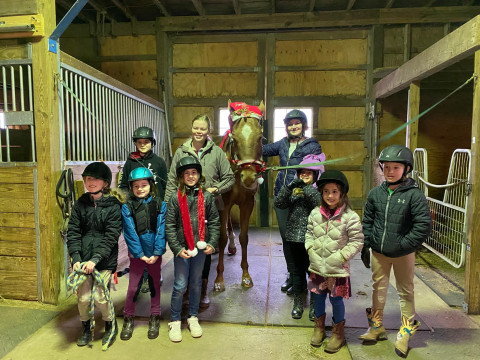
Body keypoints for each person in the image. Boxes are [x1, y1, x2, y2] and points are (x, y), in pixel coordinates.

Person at [359, 144, 432, 357]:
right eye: (387, 167)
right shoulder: (375, 194)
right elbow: (368, 219)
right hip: (379, 252)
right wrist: (368, 242)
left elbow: (422, 225)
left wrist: (404, 244)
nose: (390, 172)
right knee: (378, 288)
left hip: (403, 253)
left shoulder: (414, 196)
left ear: (406, 169)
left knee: (405, 290)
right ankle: (376, 326)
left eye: (396, 168)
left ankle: (405, 333)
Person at [164, 114, 234, 307]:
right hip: (184, 207)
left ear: (208, 131)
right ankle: (185, 288)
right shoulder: (181, 151)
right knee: (186, 246)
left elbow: (229, 178)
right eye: (196, 127)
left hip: (208, 208)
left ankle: (201, 290)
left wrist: (214, 189)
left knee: (204, 248)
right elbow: (171, 180)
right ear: (191, 128)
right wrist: (169, 206)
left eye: (203, 128)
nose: (198, 131)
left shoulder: (217, 153)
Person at [262, 109, 322, 294]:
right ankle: (293, 274)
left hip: (301, 199)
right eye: (290, 124)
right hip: (283, 195)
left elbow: (316, 170)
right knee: (287, 238)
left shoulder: (312, 146)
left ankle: (306, 276)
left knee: (303, 239)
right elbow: (262, 150)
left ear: (303, 125)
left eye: (297, 123)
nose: (293, 126)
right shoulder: (283, 143)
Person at [305, 170, 364, 353]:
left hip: (337, 269)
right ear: (321, 193)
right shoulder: (315, 214)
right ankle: (319, 328)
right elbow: (308, 233)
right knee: (318, 297)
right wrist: (309, 248)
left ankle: (338, 333)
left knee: (336, 300)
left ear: (342, 194)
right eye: (326, 192)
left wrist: (341, 257)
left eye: (334, 192)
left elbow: (357, 241)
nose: (330, 196)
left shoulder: (350, 217)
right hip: (317, 267)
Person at [67, 162, 123, 348]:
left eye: (95, 179)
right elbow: (73, 232)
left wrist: (95, 259)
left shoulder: (114, 207)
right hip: (83, 259)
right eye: (87, 178)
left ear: (105, 183)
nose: (90, 182)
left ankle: (110, 325)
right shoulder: (80, 204)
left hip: (104, 260)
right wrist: (75, 257)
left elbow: (111, 237)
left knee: (100, 297)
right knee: (83, 298)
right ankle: (85, 327)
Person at [165, 156, 220, 342]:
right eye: (187, 173)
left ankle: (193, 317)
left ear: (199, 175)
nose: (190, 176)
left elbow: (213, 221)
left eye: (194, 172)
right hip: (183, 250)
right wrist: (177, 248)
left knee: (196, 283)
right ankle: (174, 321)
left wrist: (212, 243)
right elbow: (170, 226)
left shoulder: (207, 197)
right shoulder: (174, 198)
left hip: (200, 249)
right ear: (181, 177)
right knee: (180, 285)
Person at [273, 153, 324, 321]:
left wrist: (306, 188)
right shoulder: (294, 190)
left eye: (309, 173)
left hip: (314, 240)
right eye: (302, 172)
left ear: (316, 175)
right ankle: (298, 302)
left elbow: (318, 203)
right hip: (294, 238)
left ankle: (315, 304)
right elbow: (279, 203)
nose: (305, 175)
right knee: (297, 272)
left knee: (314, 273)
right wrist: (288, 188)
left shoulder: (319, 191)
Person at [118, 126, 168, 295]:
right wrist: (126, 203)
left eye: (146, 142)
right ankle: (143, 275)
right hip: (136, 208)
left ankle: (155, 274)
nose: (142, 145)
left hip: (154, 207)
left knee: (154, 242)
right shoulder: (130, 161)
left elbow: (165, 185)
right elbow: (124, 184)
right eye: (139, 142)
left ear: (152, 143)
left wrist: (164, 205)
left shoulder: (159, 162)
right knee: (138, 242)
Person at [120, 167, 167, 341]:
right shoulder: (127, 207)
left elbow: (161, 230)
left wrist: (157, 252)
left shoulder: (160, 204)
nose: (140, 189)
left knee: (155, 285)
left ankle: (155, 316)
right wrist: (139, 253)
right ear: (132, 188)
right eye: (136, 186)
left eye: (144, 185)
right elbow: (130, 232)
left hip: (155, 254)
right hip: (137, 256)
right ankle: (128, 318)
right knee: (133, 287)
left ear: (150, 186)